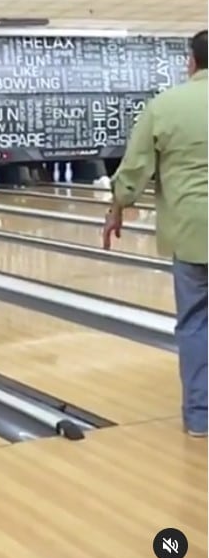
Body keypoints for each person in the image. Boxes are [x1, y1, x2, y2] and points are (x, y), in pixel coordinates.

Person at [103, 29, 208, 437]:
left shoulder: (164, 106)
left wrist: (116, 210)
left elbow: (132, 174)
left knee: (197, 324)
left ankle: (201, 418)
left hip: (190, 232)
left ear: (192, 61)